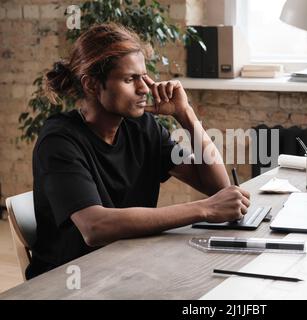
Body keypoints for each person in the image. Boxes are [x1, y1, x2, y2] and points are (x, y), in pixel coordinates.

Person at [27, 23, 250, 279]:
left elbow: (217, 187)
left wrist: (186, 115)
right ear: (91, 85)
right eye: (129, 79)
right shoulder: (59, 141)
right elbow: (94, 227)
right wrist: (205, 209)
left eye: (144, 76)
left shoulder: (142, 127)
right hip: (70, 282)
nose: (144, 87)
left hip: (130, 267)